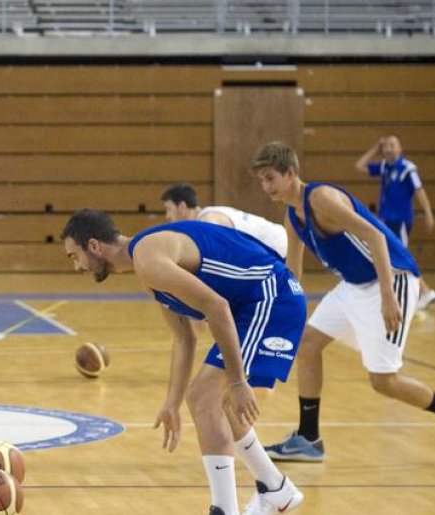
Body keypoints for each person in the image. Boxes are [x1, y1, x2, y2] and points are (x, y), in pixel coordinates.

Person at [62, 209, 306, 515]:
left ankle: (228, 509)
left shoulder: (148, 259)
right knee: (213, 400)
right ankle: (275, 488)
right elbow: (184, 338)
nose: (76, 266)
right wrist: (171, 403)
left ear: (94, 246)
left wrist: (238, 380)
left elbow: (217, 307)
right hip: (252, 304)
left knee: (206, 396)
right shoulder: (146, 267)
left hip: (272, 297)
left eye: (74, 256)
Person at [252, 141, 435, 466]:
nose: (266, 187)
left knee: (383, 381)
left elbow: (374, 236)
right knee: (309, 343)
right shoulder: (293, 216)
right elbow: (295, 271)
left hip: (393, 278)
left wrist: (388, 295)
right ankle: (308, 438)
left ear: (290, 173)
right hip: (354, 285)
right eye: (261, 180)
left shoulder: (322, 199)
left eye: (270, 178)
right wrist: (278, 307)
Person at [355, 135, 435, 309]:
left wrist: (428, 213)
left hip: (400, 221)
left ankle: (425, 291)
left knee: (401, 256)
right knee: (387, 256)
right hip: (384, 220)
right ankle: (400, 293)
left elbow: (420, 191)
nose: (388, 148)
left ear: (400, 149)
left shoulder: (408, 169)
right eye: (385, 146)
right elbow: (359, 166)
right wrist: (374, 148)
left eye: (392, 145)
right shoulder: (385, 167)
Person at [161, 183, 288, 258]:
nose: (167, 216)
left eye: (169, 209)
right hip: (275, 241)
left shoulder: (208, 219)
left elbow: (216, 255)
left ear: (182, 207)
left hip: (274, 245)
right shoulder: (208, 215)